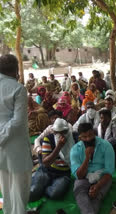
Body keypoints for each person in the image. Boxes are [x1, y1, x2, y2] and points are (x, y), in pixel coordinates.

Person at [0, 54, 33, 214]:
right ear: (16, 70)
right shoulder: (18, 88)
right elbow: (18, 121)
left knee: (5, 187)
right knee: (20, 188)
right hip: (15, 147)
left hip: (2, 148)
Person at [70, 123, 115, 214]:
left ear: (94, 133)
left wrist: (98, 186)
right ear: (80, 137)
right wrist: (87, 158)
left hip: (103, 176)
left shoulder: (106, 146)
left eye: (90, 135)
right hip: (84, 177)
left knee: (96, 195)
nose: (88, 139)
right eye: (84, 137)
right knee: (80, 193)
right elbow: (79, 175)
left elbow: (109, 172)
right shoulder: (75, 150)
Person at [29, 118, 73, 202]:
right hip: (47, 170)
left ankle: (42, 185)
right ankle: (40, 180)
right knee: (32, 194)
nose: (61, 135)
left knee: (54, 193)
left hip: (63, 174)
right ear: (54, 132)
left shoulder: (72, 139)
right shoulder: (48, 139)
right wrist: (58, 147)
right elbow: (45, 163)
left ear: (67, 131)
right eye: (58, 132)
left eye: (63, 132)